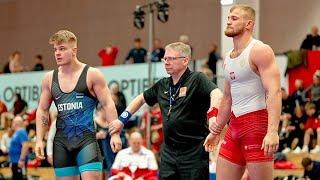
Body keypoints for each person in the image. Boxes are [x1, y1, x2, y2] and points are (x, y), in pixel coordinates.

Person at [109, 42, 223, 179]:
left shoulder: (197, 79)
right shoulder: (162, 84)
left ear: (185, 60)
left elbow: (217, 94)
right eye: (165, 58)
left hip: (193, 155)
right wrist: (122, 120)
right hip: (168, 155)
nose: (166, 62)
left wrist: (212, 117)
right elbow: (140, 99)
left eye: (171, 59)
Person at [203, 5, 281, 180]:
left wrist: (272, 131)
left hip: (257, 126)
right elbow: (227, 98)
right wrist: (215, 132)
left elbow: (274, 92)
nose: (229, 21)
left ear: (249, 24)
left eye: (235, 18)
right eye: (229, 17)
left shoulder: (260, 51)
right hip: (234, 127)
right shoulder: (228, 55)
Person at [35, 30, 123, 180]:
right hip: (62, 143)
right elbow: (42, 109)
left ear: (74, 50)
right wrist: (39, 139)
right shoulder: (49, 79)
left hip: (86, 141)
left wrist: (114, 134)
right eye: (55, 49)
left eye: (62, 49)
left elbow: (108, 104)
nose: (57, 53)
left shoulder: (92, 74)